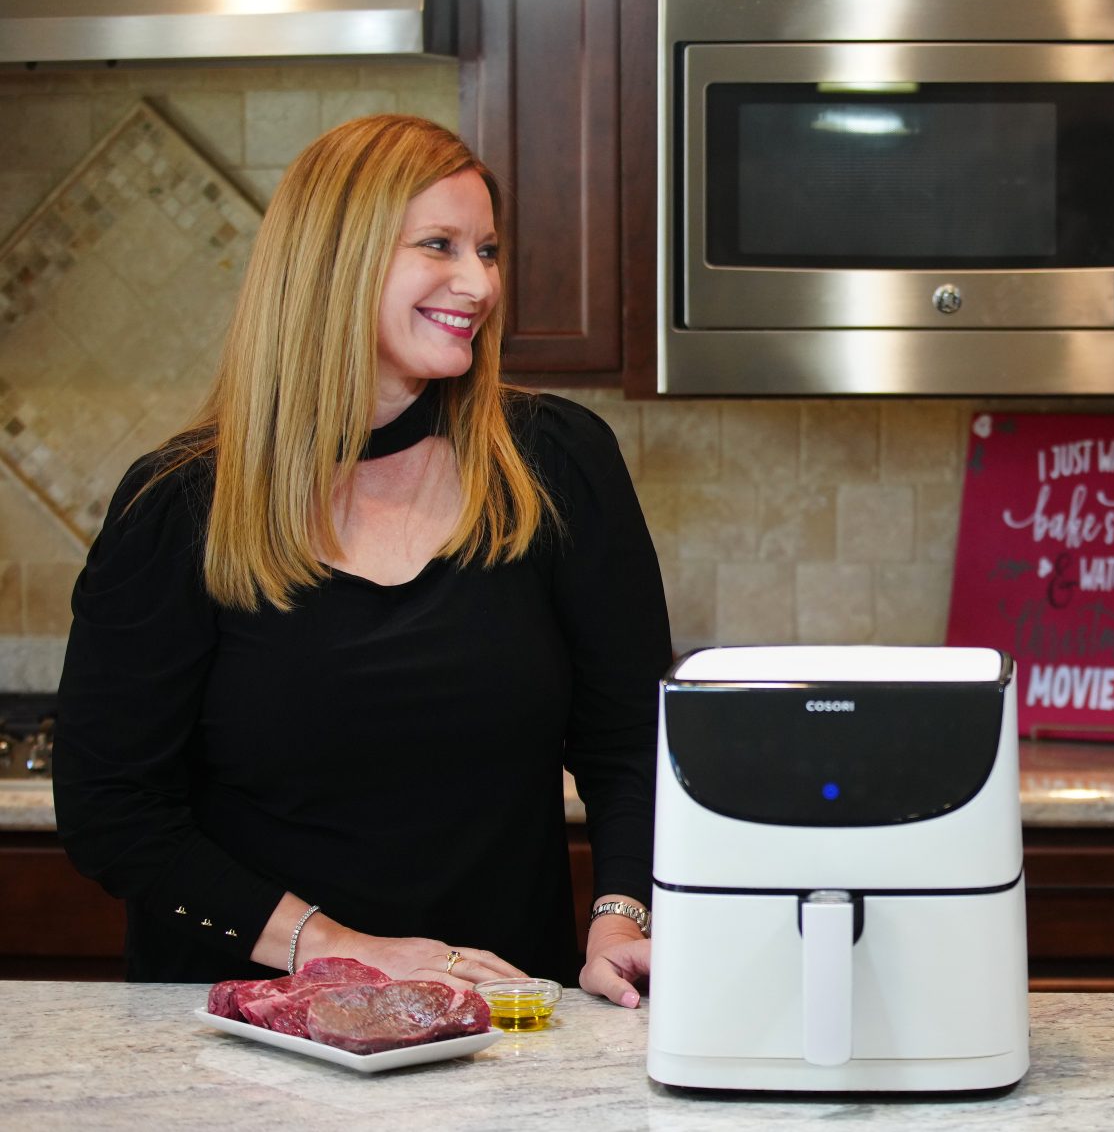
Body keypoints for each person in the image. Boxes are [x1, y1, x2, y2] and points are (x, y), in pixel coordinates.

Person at [53, 115, 672, 1008]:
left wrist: (621, 916)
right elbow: (114, 815)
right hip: (250, 1039)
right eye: (440, 246)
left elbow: (630, 745)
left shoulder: (557, 462)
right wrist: (337, 950)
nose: (480, 283)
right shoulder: (180, 504)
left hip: (499, 1026)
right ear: (334, 264)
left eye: (488, 250)